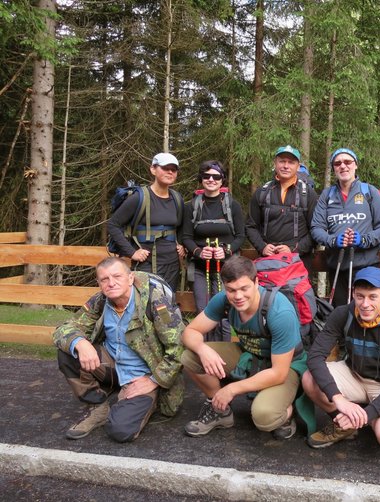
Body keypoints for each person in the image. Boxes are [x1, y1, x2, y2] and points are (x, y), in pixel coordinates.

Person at [52, 257, 185, 442]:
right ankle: (98, 406)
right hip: (112, 365)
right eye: (104, 279)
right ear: (98, 283)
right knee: (68, 350)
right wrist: (81, 343)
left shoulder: (155, 301)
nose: (111, 283)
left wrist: (155, 380)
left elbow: (179, 347)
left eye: (117, 276)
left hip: (143, 376)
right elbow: (64, 329)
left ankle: (147, 401)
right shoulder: (100, 300)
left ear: (130, 278)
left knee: (120, 430)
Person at [180, 255, 306, 440]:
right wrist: (202, 349)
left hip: (284, 366)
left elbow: (278, 373)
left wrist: (231, 389)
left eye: (244, 288)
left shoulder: (279, 311)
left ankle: (289, 409)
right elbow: (190, 332)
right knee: (190, 356)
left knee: (265, 417)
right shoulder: (223, 300)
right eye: (231, 290)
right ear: (224, 287)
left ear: (256, 282)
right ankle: (220, 410)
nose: (238, 296)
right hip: (249, 354)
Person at [302, 267, 380, 449]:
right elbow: (315, 356)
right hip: (354, 374)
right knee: (309, 379)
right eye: (360, 296)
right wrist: (338, 399)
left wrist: (366, 414)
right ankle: (343, 423)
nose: (365, 304)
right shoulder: (342, 314)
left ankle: (356, 418)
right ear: (353, 294)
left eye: (373, 297)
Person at [311, 148, 380, 306]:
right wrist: (333, 240)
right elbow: (316, 228)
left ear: (356, 165)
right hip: (337, 267)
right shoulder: (327, 195)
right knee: (340, 314)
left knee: (365, 312)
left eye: (348, 162)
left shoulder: (369, 192)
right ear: (333, 168)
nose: (343, 166)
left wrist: (364, 240)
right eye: (337, 163)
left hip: (366, 266)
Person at [182, 160, 245, 341]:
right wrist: (198, 252)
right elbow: (186, 236)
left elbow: (240, 236)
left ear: (222, 179)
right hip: (200, 267)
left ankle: (224, 357)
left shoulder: (232, 206)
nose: (211, 179)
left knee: (225, 312)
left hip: (227, 268)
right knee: (203, 310)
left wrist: (226, 251)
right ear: (201, 178)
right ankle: (206, 353)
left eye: (216, 176)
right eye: (206, 176)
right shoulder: (191, 206)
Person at [107, 152, 186, 292]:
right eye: (165, 168)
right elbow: (113, 225)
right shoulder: (139, 198)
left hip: (172, 264)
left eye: (173, 169)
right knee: (145, 306)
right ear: (153, 169)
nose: (170, 172)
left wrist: (181, 245)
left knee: (167, 307)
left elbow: (180, 227)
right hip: (146, 264)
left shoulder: (177, 199)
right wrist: (132, 253)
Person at [246, 145, 318, 268]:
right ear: (275, 163)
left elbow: (316, 230)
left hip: (298, 263)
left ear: (298, 166)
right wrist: (262, 247)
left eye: (291, 162)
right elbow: (250, 226)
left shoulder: (308, 194)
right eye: (282, 161)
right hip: (268, 261)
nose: (286, 166)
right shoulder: (262, 192)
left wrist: (294, 249)